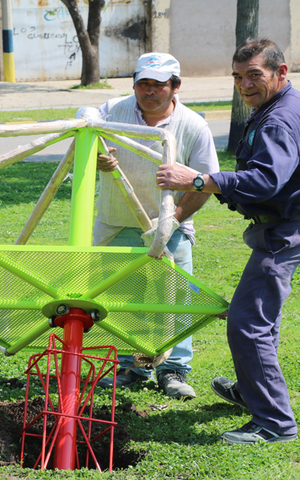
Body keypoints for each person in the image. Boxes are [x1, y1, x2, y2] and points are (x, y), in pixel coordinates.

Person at [154, 38, 300, 444]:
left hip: (286, 232)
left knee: (247, 323)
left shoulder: (279, 120)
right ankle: (255, 392)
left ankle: (274, 423)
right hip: (288, 226)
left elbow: (267, 180)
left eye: (254, 75)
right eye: (238, 77)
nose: (244, 85)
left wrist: (199, 179)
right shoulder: (286, 105)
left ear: (280, 72)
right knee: (256, 319)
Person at [93, 52, 220, 400]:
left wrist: (173, 219)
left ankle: (172, 370)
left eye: (158, 85)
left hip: (171, 226)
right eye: (143, 84)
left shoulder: (193, 126)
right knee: (120, 296)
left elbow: (206, 182)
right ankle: (128, 366)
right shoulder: (111, 112)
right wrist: (96, 156)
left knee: (175, 300)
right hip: (116, 223)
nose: (149, 92)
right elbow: (82, 126)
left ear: (175, 87)